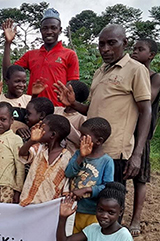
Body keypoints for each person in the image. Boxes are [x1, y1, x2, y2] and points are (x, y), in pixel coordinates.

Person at [54, 24, 152, 186]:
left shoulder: (136, 70)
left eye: (112, 43)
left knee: (109, 201)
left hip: (114, 152)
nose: (105, 49)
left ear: (124, 43)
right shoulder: (100, 71)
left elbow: (146, 111)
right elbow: (93, 110)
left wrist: (137, 154)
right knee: (88, 198)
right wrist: (73, 104)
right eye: (101, 44)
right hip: (90, 148)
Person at [63, 117, 114, 241]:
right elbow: (68, 173)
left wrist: (87, 189)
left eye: (85, 136)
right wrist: (80, 157)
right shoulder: (78, 154)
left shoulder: (106, 162)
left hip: (92, 212)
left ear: (98, 141)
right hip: (75, 211)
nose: (80, 138)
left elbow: (108, 186)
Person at [2, 8, 79, 107]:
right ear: (41, 30)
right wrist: (8, 43)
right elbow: (7, 74)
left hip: (58, 109)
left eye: (53, 28)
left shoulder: (69, 54)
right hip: (32, 110)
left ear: (60, 30)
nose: (49, 31)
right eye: (45, 28)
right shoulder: (30, 55)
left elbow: (73, 87)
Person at [128, 38, 160, 236]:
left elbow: (146, 99)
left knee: (140, 178)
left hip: (140, 132)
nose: (134, 52)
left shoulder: (155, 77)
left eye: (140, 49)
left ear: (151, 55)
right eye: (133, 49)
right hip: (125, 129)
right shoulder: (130, 73)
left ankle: (136, 219)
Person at [18, 114, 72, 206]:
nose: (38, 131)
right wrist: (32, 140)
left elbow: (66, 186)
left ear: (53, 135)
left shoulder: (67, 157)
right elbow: (22, 153)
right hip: (28, 203)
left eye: (42, 129)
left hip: (49, 207)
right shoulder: (39, 149)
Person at [54, 80, 88, 153]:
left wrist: (64, 125)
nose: (61, 91)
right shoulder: (56, 110)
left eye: (66, 90)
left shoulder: (82, 118)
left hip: (70, 158)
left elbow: (82, 142)